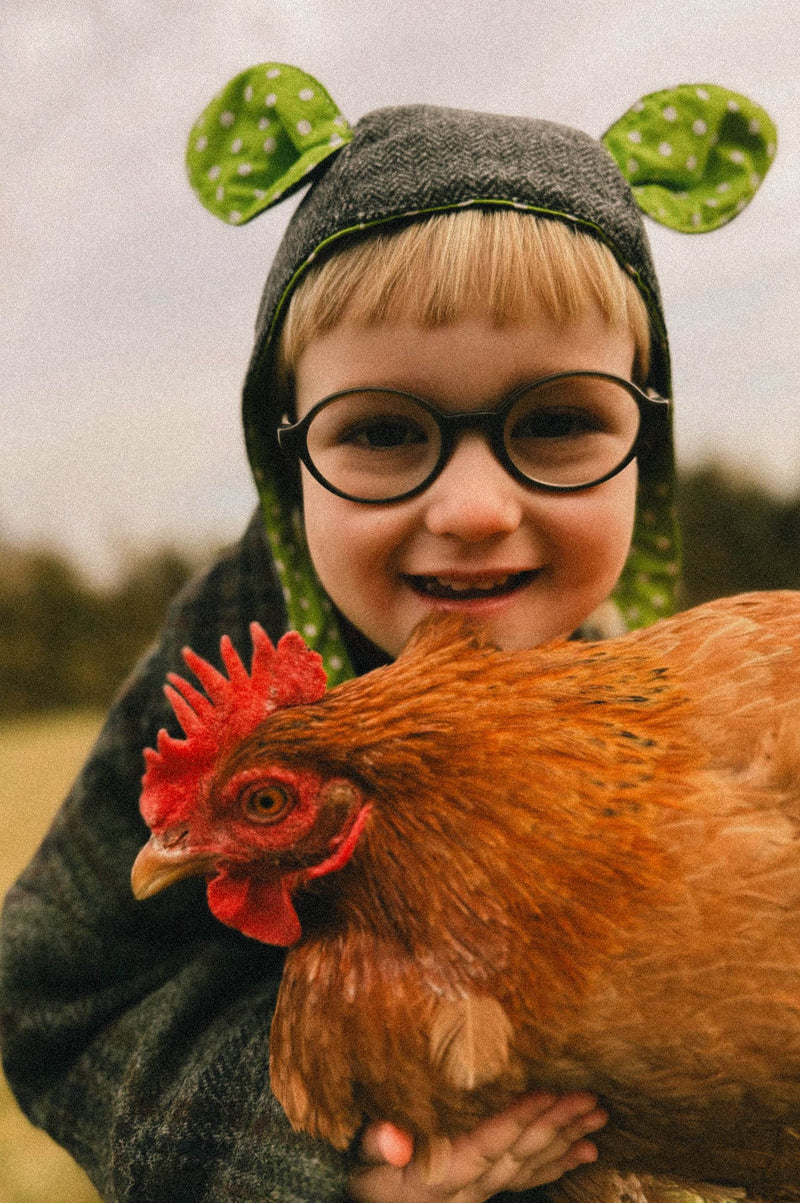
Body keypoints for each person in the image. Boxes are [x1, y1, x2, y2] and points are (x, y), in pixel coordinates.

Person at [0, 66, 774, 1203]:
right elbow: (59, 996)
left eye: (556, 423)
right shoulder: (241, 651)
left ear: (641, 458)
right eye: (379, 432)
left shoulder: (712, 704)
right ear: (284, 463)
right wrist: (324, 1170)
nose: (469, 510)